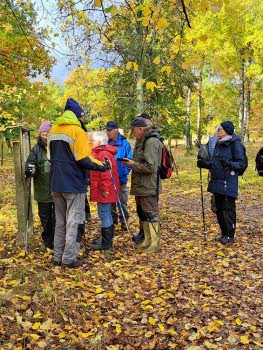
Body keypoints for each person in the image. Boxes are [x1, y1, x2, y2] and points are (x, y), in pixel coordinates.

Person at [47, 98, 109, 268]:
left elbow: (49, 158)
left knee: (60, 222)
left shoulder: (53, 131)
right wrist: (102, 166)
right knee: (73, 221)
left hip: (55, 183)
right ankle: (69, 258)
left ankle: (57, 257)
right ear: (77, 115)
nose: (83, 120)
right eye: (82, 117)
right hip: (73, 184)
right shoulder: (77, 131)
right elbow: (83, 159)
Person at [197, 121, 247, 245]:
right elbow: (216, 163)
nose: (217, 130)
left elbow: (241, 164)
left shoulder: (235, 144)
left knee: (228, 209)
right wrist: (204, 164)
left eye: (219, 128)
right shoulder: (218, 143)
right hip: (216, 180)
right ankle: (224, 233)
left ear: (226, 131)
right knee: (219, 209)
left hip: (228, 181)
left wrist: (230, 164)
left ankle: (230, 236)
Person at [122, 117, 163, 254]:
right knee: (143, 213)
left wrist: (133, 164)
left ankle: (155, 243)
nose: (133, 133)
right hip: (140, 185)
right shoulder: (142, 141)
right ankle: (147, 239)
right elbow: (142, 160)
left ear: (140, 128)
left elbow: (151, 167)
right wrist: (132, 162)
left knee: (151, 214)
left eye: (133, 130)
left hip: (148, 185)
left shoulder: (151, 141)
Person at [25, 120, 55, 249]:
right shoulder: (36, 149)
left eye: (48, 133)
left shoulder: (57, 147)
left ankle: (57, 239)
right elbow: (30, 163)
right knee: (45, 217)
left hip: (57, 188)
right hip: (42, 190)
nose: (46, 136)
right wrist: (30, 169)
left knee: (58, 217)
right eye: (43, 134)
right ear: (39, 134)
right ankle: (48, 239)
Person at [89, 131, 120, 250]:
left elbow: (106, 173)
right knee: (106, 213)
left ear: (99, 142)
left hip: (104, 190)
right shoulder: (103, 152)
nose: (91, 143)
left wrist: (105, 189)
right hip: (104, 189)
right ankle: (106, 240)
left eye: (93, 141)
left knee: (104, 214)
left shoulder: (102, 154)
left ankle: (106, 244)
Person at [105, 121, 133, 230]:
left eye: (110, 130)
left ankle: (124, 222)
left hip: (121, 179)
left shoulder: (124, 143)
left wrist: (124, 172)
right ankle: (113, 222)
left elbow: (129, 159)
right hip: (109, 179)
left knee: (122, 202)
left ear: (116, 130)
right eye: (107, 130)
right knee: (111, 202)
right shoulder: (105, 143)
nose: (108, 132)